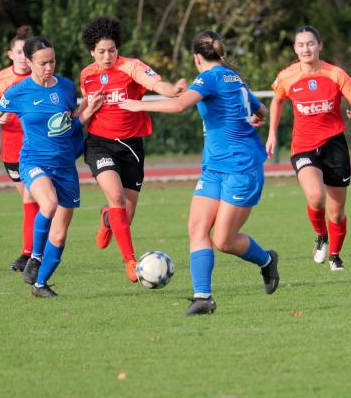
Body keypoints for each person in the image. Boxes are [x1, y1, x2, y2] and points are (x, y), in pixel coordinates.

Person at [120, 30, 280, 316]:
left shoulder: (209, 77)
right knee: (196, 228)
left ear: (197, 58)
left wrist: (139, 105)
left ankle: (267, 261)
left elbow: (181, 104)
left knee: (223, 240)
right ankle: (203, 297)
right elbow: (262, 110)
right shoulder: (234, 77)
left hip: (241, 167)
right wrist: (254, 117)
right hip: (214, 167)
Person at [0, 36, 102, 298]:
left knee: (59, 236)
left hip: (65, 166)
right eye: (42, 63)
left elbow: (68, 125)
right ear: (29, 62)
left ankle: (40, 284)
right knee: (47, 204)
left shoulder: (66, 88)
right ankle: (34, 257)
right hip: (33, 161)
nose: (49, 67)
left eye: (52, 61)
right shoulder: (18, 91)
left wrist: (88, 111)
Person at [79, 16, 187, 282]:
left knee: (126, 211)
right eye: (101, 52)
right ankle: (130, 261)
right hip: (98, 143)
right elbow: (85, 107)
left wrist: (171, 90)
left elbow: (155, 84)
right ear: (92, 52)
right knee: (115, 196)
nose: (107, 56)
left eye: (112, 50)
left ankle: (108, 219)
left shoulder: (131, 67)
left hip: (131, 146)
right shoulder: (87, 75)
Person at [265, 26, 351, 271]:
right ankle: (321, 236)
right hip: (304, 146)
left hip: (334, 145)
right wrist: (272, 133)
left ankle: (335, 255)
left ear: (320, 46)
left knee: (337, 211)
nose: (305, 49)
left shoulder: (335, 74)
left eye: (310, 44)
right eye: (300, 45)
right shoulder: (288, 76)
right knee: (315, 196)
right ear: (295, 49)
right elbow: (277, 100)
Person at [0, 26, 40, 273]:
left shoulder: (40, 76)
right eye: (19, 52)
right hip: (13, 150)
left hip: (38, 148)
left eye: (27, 52)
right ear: (10, 54)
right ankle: (35, 249)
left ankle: (29, 254)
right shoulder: (1, 81)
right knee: (29, 201)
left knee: (31, 197)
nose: (24, 57)